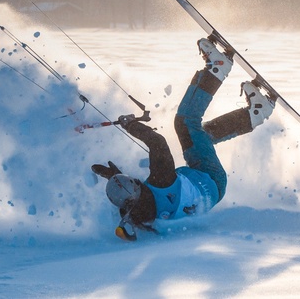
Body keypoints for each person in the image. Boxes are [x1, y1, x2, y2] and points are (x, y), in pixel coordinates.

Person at [92, 38, 275, 240]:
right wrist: (131, 125)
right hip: (208, 175)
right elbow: (157, 143)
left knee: (198, 135)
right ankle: (218, 67)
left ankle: (254, 114)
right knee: (185, 122)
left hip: (211, 194)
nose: (135, 179)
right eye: (132, 181)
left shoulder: (138, 215)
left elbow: (133, 199)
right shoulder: (161, 180)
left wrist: (114, 177)